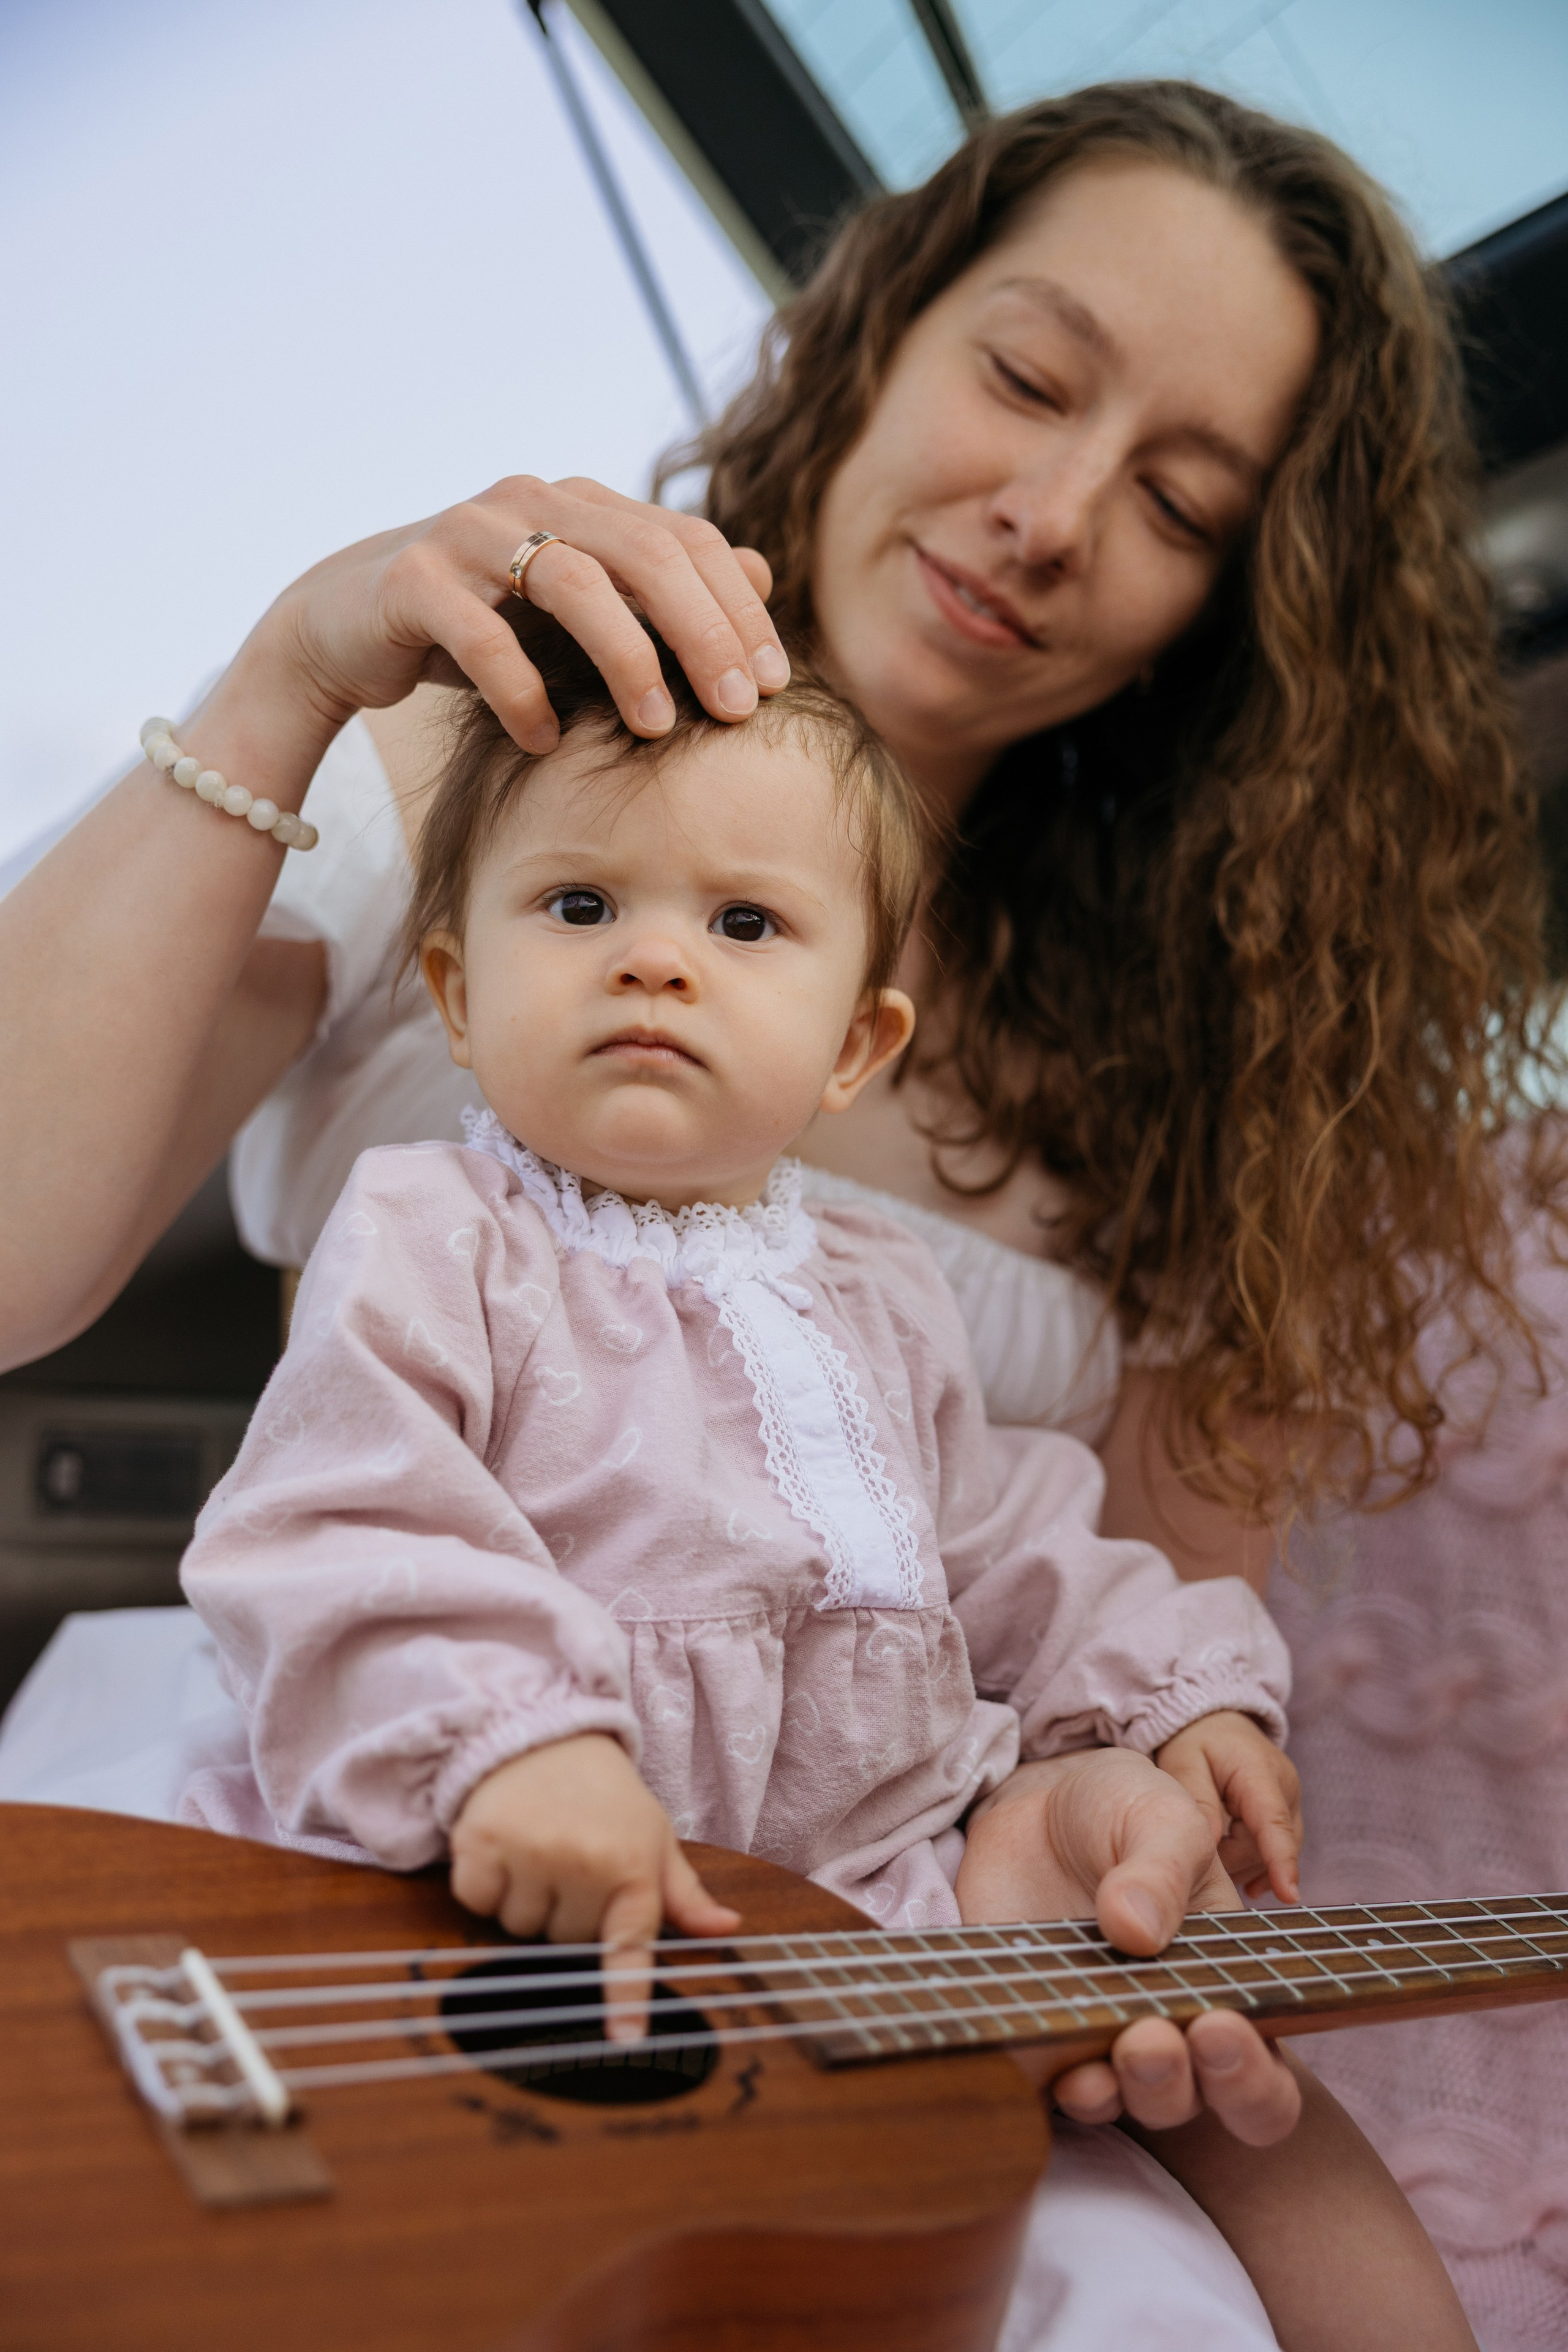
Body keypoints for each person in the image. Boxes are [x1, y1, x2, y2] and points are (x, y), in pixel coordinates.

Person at [0, 77, 1555, 2343]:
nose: (1045, 512)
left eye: (1179, 499)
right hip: (392, 1814)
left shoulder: (1211, 1076)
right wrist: (292, 668)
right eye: (1024, 376)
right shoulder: (475, 765)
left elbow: (1082, 1607)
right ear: (877, 325)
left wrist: (1143, 1801)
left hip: (875, 1910)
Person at [175, 617, 1470, 2348]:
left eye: (743, 925)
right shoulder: (439, 1236)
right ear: (459, 996)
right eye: (579, 909)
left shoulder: (882, 1285)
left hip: (874, 1895)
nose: (655, 964)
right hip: (495, 1891)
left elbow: (1014, 1543)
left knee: (1208, 2197)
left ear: (854, 1048)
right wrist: (512, 1742)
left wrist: (1172, 1704)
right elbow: (341, 1519)